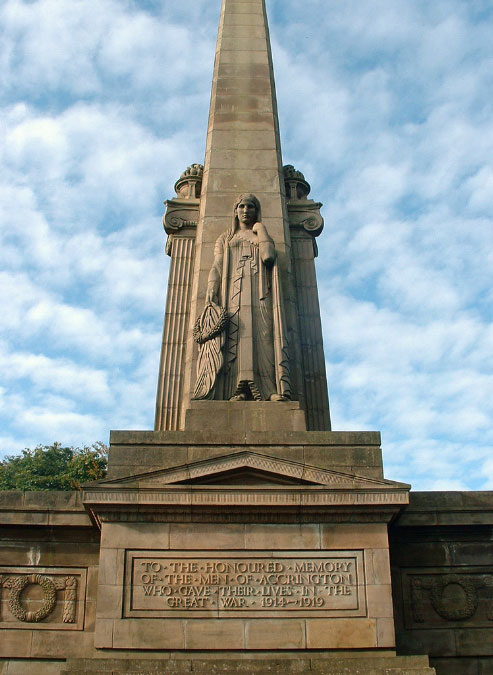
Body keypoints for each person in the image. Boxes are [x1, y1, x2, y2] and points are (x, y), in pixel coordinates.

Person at [203, 193, 291, 401]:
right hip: (232, 295)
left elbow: (268, 256)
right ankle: (238, 389)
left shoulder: (259, 234)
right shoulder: (226, 238)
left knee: (264, 337)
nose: (245, 210)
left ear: (256, 211)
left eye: (250, 207)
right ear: (235, 211)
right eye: (241, 206)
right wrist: (211, 286)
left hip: (261, 293)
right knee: (236, 336)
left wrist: (261, 230)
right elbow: (217, 265)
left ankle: (268, 389)